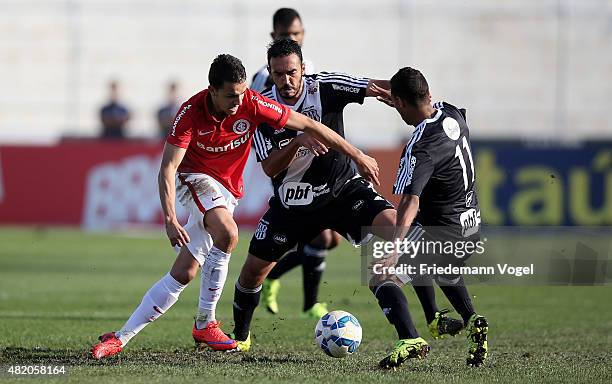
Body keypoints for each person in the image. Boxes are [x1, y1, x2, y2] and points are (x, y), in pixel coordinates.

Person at [90, 53, 380, 359]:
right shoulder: (190, 114)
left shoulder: (251, 102)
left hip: (227, 191)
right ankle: (206, 323)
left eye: (241, 94)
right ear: (212, 90)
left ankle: (120, 338)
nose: (238, 102)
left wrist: (357, 156)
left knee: (185, 272)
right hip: (195, 179)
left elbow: (309, 124)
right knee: (228, 234)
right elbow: (168, 168)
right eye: (230, 96)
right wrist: (170, 219)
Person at [224, 39, 462, 353]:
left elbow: (375, 86)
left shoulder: (326, 86)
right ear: (270, 71)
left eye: (292, 72)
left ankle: (426, 324)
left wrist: (413, 100)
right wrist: (298, 142)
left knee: (403, 232)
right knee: (253, 271)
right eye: (279, 74)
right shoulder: (261, 109)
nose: (286, 80)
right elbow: (269, 167)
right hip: (293, 205)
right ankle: (240, 339)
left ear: (303, 69)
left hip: (343, 191)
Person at [370, 67, 488, 369]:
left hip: (443, 232)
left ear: (401, 103)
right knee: (441, 266)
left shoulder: (420, 147)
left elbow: (410, 201)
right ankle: (469, 319)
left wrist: (394, 250)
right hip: (471, 227)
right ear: (429, 94)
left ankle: (410, 337)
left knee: (381, 276)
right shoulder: (451, 114)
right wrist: (398, 99)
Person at [253, 8, 339, 319]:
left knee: (329, 238)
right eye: (287, 35)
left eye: (298, 35)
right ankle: (308, 301)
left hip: (314, 161)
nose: (293, 39)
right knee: (321, 236)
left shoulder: (308, 70)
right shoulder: (265, 78)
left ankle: (274, 277)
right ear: (274, 36)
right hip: (287, 166)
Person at [251, 8, 314, 92]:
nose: (292, 39)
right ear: (273, 36)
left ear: (302, 33)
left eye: (295, 33)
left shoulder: (310, 67)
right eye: (284, 34)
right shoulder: (263, 77)